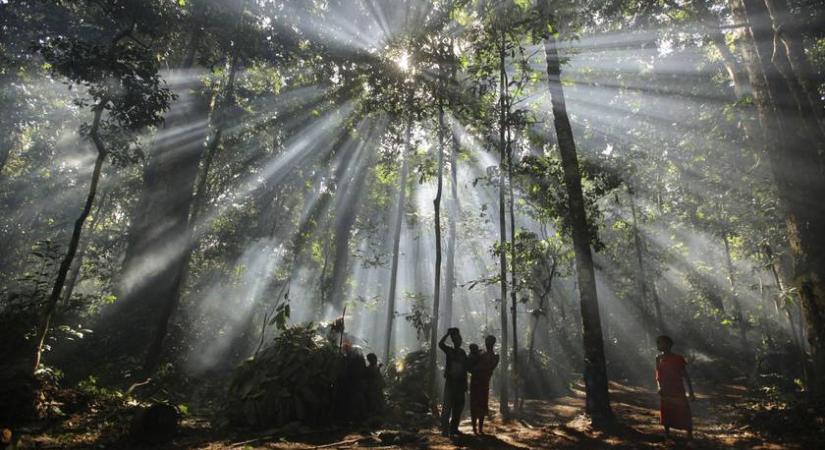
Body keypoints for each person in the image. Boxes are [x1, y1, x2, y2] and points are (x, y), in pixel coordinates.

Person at [655, 335, 695, 440]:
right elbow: (658, 375)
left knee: (683, 410)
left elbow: (685, 375)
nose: (658, 345)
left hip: (677, 388)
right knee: (666, 411)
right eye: (657, 343)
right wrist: (659, 387)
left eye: (660, 342)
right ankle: (667, 434)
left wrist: (691, 392)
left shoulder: (678, 358)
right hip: (665, 389)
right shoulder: (658, 358)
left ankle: (689, 435)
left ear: (668, 344)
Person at [439, 327, 469, 437]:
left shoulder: (462, 353)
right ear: (453, 341)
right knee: (447, 406)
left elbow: (465, 369)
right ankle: (445, 429)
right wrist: (447, 334)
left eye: (459, 339)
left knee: (458, 406)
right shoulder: (449, 350)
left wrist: (465, 384)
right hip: (450, 382)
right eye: (456, 339)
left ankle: (454, 428)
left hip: (460, 383)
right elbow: (440, 344)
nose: (458, 341)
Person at [469, 335, 499, 435]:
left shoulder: (495, 356)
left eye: (489, 342)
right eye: (486, 341)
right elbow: (471, 363)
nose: (487, 343)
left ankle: (480, 429)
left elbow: (489, 368)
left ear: (493, 343)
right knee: (474, 405)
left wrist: (478, 368)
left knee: (482, 405)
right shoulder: (481, 352)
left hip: (483, 383)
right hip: (476, 382)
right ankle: (474, 428)